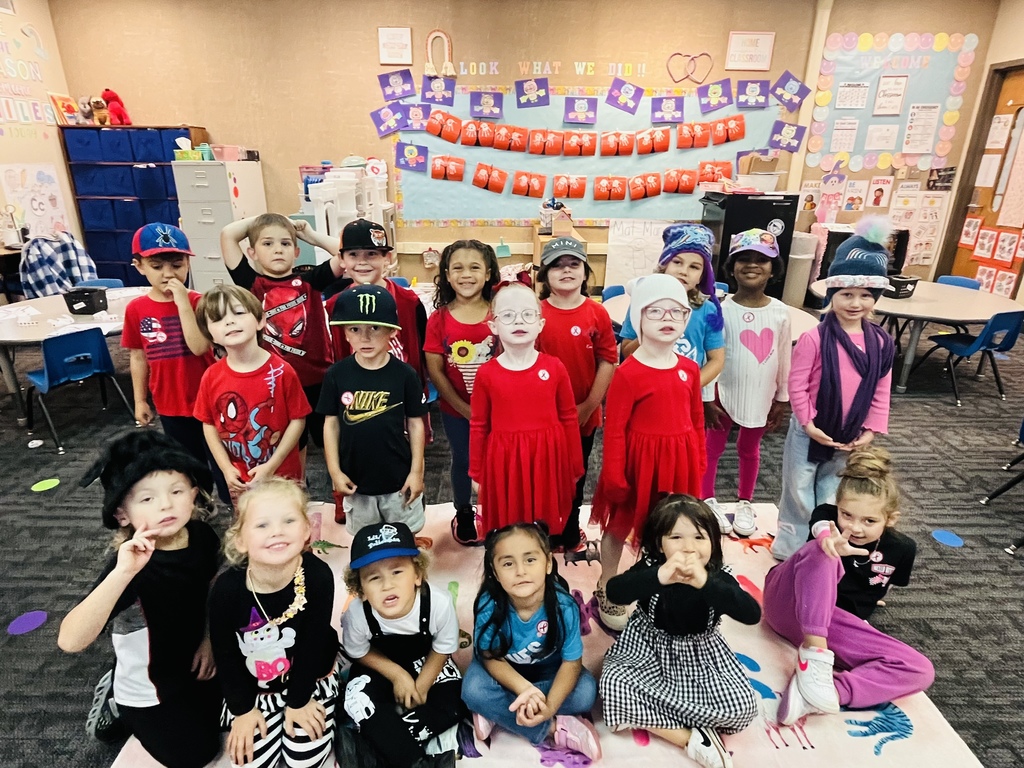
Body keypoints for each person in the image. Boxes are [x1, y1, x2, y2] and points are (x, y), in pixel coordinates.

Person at [58, 431, 221, 768]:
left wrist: (208, 639)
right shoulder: (130, 564)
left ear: (194, 493)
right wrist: (122, 573)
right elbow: (70, 640)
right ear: (122, 513)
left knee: (240, 708)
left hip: (191, 662)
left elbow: (210, 588)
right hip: (149, 686)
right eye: (146, 499)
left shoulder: (203, 536)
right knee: (197, 754)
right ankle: (115, 697)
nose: (165, 505)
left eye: (176, 491)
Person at [763, 447, 934, 725]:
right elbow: (822, 529)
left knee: (920, 669)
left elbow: (887, 583)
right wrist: (829, 539)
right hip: (787, 603)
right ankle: (813, 660)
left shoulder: (902, 548)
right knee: (824, 551)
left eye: (869, 521)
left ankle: (821, 692)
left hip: (834, 622)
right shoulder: (827, 519)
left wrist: (869, 600)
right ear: (837, 507)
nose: (854, 527)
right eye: (847, 515)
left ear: (890, 520)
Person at [599, 495, 759, 768]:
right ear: (659, 544)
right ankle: (690, 738)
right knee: (612, 681)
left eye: (699, 537)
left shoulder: (718, 575)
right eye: (676, 538)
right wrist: (659, 577)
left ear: (713, 542)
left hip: (700, 657)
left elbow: (751, 614)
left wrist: (706, 583)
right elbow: (615, 591)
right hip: (647, 650)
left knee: (744, 708)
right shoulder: (652, 567)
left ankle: (665, 712)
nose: (688, 548)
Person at [772, 218, 896, 561]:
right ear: (833, 294)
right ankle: (791, 547)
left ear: (875, 297)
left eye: (865, 295)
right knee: (798, 487)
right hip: (809, 428)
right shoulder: (815, 337)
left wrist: (871, 428)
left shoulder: (882, 343)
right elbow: (797, 384)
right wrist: (808, 422)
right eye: (847, 294)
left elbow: (881, 389)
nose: (855, 302)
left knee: (831, 487)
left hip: (848, 431)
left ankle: (823, 545)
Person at [591, 274, 706, 631]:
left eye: (676, 311)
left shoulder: (689, 369)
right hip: (638, 464)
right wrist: (613, 474)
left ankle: (661, 581)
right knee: (621, 523)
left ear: (687, 319)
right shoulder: (628, 373)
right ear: (638, 319)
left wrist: (699, 459)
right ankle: (608, 583)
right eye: (656, 311)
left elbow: (697, 419)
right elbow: (615, 430)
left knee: (671, 526)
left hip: (679, 461)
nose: (667, 318)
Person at [209, 478, 339, 768]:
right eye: (262, 525)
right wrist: (242, 710)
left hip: (309, 677)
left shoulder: (318, 576)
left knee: (303, 760)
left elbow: (312, 644)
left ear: (307, 530)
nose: (277, 532)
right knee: (251, 763)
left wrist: (299, 702)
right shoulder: (226, 589)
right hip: (254, 685)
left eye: (289, 521)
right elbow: (225, 654)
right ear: (240, 539)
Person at [462, 523, 601, 760]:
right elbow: (490, 658)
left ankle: (498, 711)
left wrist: (550, 706)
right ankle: (553, 729)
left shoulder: (564, 605)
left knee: (586, 692)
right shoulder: (489, 605)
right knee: (472, 690)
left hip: (550, 672)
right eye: (507, 563)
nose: (520, 571)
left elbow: (571, 663)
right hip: (505, 675)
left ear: (548, 563)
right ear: (495, 573)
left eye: (530, 560)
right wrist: (524, 690)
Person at [219, 213, 344, 455]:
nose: (278, 250)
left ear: (296, 252)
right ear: (252, 252)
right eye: (267, 243)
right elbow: (227, 236)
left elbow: (345, 255)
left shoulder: (310, 281)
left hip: (318, 379)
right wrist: (271, 218)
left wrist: (311, 236)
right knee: (289, 446)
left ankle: (338, 487)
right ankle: (297, 486)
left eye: (285, 243)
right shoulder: (251, 284)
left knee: (332, 441)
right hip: (275, 382)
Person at [121, 223, 228, 503]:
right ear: (139, 266)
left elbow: (199, 347)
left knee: (222, 458)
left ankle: (233, 504)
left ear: (188, 263)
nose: (169, 274)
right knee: (187, 462)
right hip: (170, 403)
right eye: (157, 266)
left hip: (209, 401)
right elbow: (138, 356)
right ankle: (201, 504)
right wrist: (140, 401)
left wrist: (182, 302)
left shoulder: (199, 302)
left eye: (177, 265)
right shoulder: (136, 309)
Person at [341, 522, 462, 768]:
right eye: (374, 578)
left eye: (397, 572)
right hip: (379, 666)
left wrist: (421, 686)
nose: (388, 585)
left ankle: (376, 746)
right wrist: (397, 675)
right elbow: (359, 652)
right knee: (356, 700)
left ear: (417, 575)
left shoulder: (438, 603)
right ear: (360, 588)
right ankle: (416, 761)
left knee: (458, 698)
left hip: (426, 662)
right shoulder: (357, 614)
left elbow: (443, 648)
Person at [470, 281, 583, 536]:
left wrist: (574, 464)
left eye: (527, 314)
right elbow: (479, 424)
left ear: (540, 323)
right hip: (505, 458)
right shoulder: (486, 374)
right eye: (508, 316)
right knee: (510, 524)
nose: (518, 322)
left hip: (546, 455)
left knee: (543, 522)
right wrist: (476, 472)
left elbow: (569, 417)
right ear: (493, 326)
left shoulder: (555, 368)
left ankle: (542, 564)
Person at [317, 284, 427, 533]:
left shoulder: (405, 375)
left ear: (391, 332)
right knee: (364, 541)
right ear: (345, 333)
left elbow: (416, 423)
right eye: (355, 329)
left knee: (405, 538)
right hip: (357, 482)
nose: (364, 338)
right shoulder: (336, 375)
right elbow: (331, 424)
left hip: (398, 479)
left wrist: (416, 472)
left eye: (374, 328)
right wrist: (334, 471)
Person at [703, 230, 792, 539]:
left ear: (773, 269)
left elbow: (783, 357)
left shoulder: (781, 312)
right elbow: (708, 355)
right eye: (744, 259)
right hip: (721, 391)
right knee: (710, 447)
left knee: (750, 448)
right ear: (731, 266)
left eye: (761, 261)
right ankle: (707, 499)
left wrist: (782, 398)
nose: (752, 266)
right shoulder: (720, 309)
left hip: (761, 394)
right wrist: (705, 398)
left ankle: (745, 501)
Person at [193, 284, 310, 502]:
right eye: (217, 319)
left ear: (260, 320)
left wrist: (271, 465)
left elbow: (298, 420)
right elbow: (208, 424)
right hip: (240, 479)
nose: (229, 321)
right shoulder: (211, 376)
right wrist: (226, 468)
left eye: (238, 313)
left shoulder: (282, 371)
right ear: (210, 334)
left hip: (282, 476)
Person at [536, 237, 617, 550]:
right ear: (544, 274)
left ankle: (568, 531)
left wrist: (587, 406)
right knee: (544, 477)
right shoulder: (536, 313)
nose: (565, 270)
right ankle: (543, 531)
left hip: (584, 414)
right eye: (556, 265)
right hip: (543, 418)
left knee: (575, 475)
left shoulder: (596, 314)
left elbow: (608, 360)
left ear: (586, 272)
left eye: (573, 264)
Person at [423, 240, 500, 545]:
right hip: (456, 411)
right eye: (458, 268)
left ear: (488, 273)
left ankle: (496, 510)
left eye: (474, 267)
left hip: (500, 411)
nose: (466, 274)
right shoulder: (439, 319)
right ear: (447, 274)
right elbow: (436, 371)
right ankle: (464, 511)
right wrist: (465, 409)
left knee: (497, 460)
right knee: (464, 460)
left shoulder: (500, 315)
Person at [618, 223, 725, 405]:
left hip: (684, 398)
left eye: (694, 267)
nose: (684, 271)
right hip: (643, 392)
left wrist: (689, 384)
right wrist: (648, 334)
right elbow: (627, 352)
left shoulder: (707, 310)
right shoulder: (641, 303)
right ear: (665, 264)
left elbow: (717, 360)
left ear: (702, 276)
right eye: (677, 262)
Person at [322, 219, 429, 396]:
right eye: (353, 254)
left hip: (406, 398)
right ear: (342, 260)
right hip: (356, 400)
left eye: (371, 254)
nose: (362, 262)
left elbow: (422, 352)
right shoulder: (333, 306)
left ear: (387, 258)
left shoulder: (409, 301)